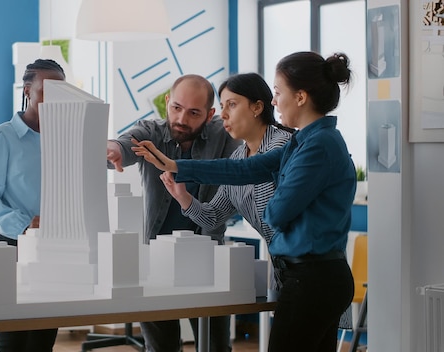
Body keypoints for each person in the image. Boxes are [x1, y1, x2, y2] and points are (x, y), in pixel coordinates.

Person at [133, 52, 356, 352]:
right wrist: (175, 166)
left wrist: (278, 188)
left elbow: (275, 214)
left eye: (278, 93)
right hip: (304, 277)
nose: (276, 101)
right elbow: (243, 170)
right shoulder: (301, 143)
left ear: (300, 97)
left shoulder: (316, 146)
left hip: (313, 279)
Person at [107, 74, 240, 352]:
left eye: (193, 113)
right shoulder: (151, 131)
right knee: (161, 348)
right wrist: (115, 149)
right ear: (167, 102)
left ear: (209, 114)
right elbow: (128, 143)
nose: (181, 118)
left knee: (216, 347)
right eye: (176, 108)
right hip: (155, 262)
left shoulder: (224, 136)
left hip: (208, 258)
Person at [159, 72, 293, 290]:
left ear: (257, 107)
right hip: (282, 270)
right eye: (222, 106)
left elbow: (247, 172)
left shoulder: (283, 146)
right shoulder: (239, 156)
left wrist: (179, 167)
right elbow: (212, 218)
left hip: (307, 267)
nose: (224, 115)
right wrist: (182, 196)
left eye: (231, 105)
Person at [0, 59, 65, 352]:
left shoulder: (64, 138)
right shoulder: (2, 137)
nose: (53, 98)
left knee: (42, 344)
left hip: (55, 250)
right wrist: (24, 224)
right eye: (46, 90)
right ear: (28, 90)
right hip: (13, 250)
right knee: (11, 344)